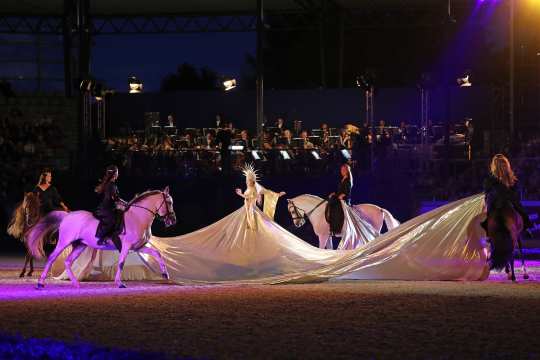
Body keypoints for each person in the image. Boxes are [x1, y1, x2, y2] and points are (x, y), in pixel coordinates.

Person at [481, 154, 533, 235]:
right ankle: (527, 226)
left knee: (489, 210)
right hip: (507, 199)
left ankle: (487, 231)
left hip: (499, 201)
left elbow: (487, 193)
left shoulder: (490, 179)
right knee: (519, 208)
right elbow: (515, 191)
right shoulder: (510, 178)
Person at [94, 165, 125, 248]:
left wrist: (124, 203)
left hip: (110, 207)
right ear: (115, 174)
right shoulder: (110, 185)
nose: (118, 174)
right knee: (112, 219)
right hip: (106, 208)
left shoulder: (112, 185)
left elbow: (116, 198)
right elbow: (110, 198)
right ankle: (101, 237)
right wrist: (118, 203)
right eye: (117, 172)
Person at [325, 163, 353, 246]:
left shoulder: (348, 179)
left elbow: (347, 191)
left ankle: (336, 229)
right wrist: (334, 193)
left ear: (347, 171)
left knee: (335, 207)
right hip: (339, 197)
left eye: (344, 170)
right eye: (341, 170)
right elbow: (339, 191)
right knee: (331, 201)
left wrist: (342, 195)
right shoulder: (343, 179)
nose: (342, 171)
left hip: (344, 199)